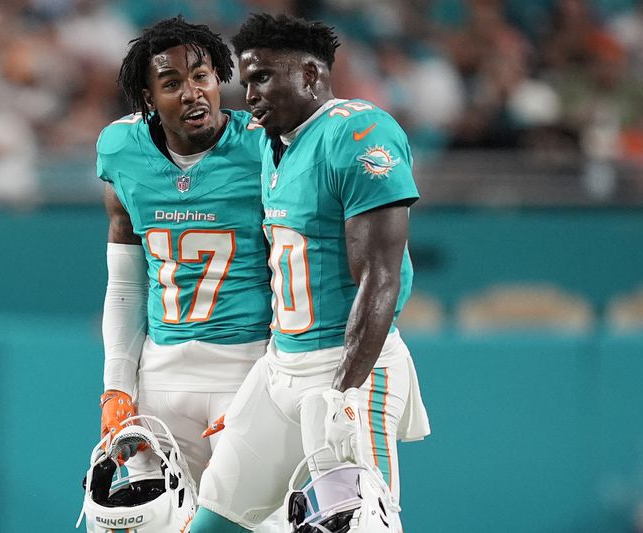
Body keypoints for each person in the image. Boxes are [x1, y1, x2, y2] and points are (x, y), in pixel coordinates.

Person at [191, 14, 431, 532]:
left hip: (348, 372)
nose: (249, 92)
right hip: (281, 367)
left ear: (310, 74)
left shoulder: (358, 132)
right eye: (246, 79)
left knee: (360, 524)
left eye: (262, 78)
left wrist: (343, 392)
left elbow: (381, 277)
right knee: (214, 519)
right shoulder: (271, 140)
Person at [94, 16, 271, 485]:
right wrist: (116, 386)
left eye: (201, 76)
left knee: (258, 516)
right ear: (150, 99)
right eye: (172, 83)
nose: (192, 92)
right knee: (147, 516)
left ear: (219, 79)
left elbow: (297, 270)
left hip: (248, 365)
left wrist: (275, 382)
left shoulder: (264, 146)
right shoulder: (121, 149)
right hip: (162, 374)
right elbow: (127, 282)